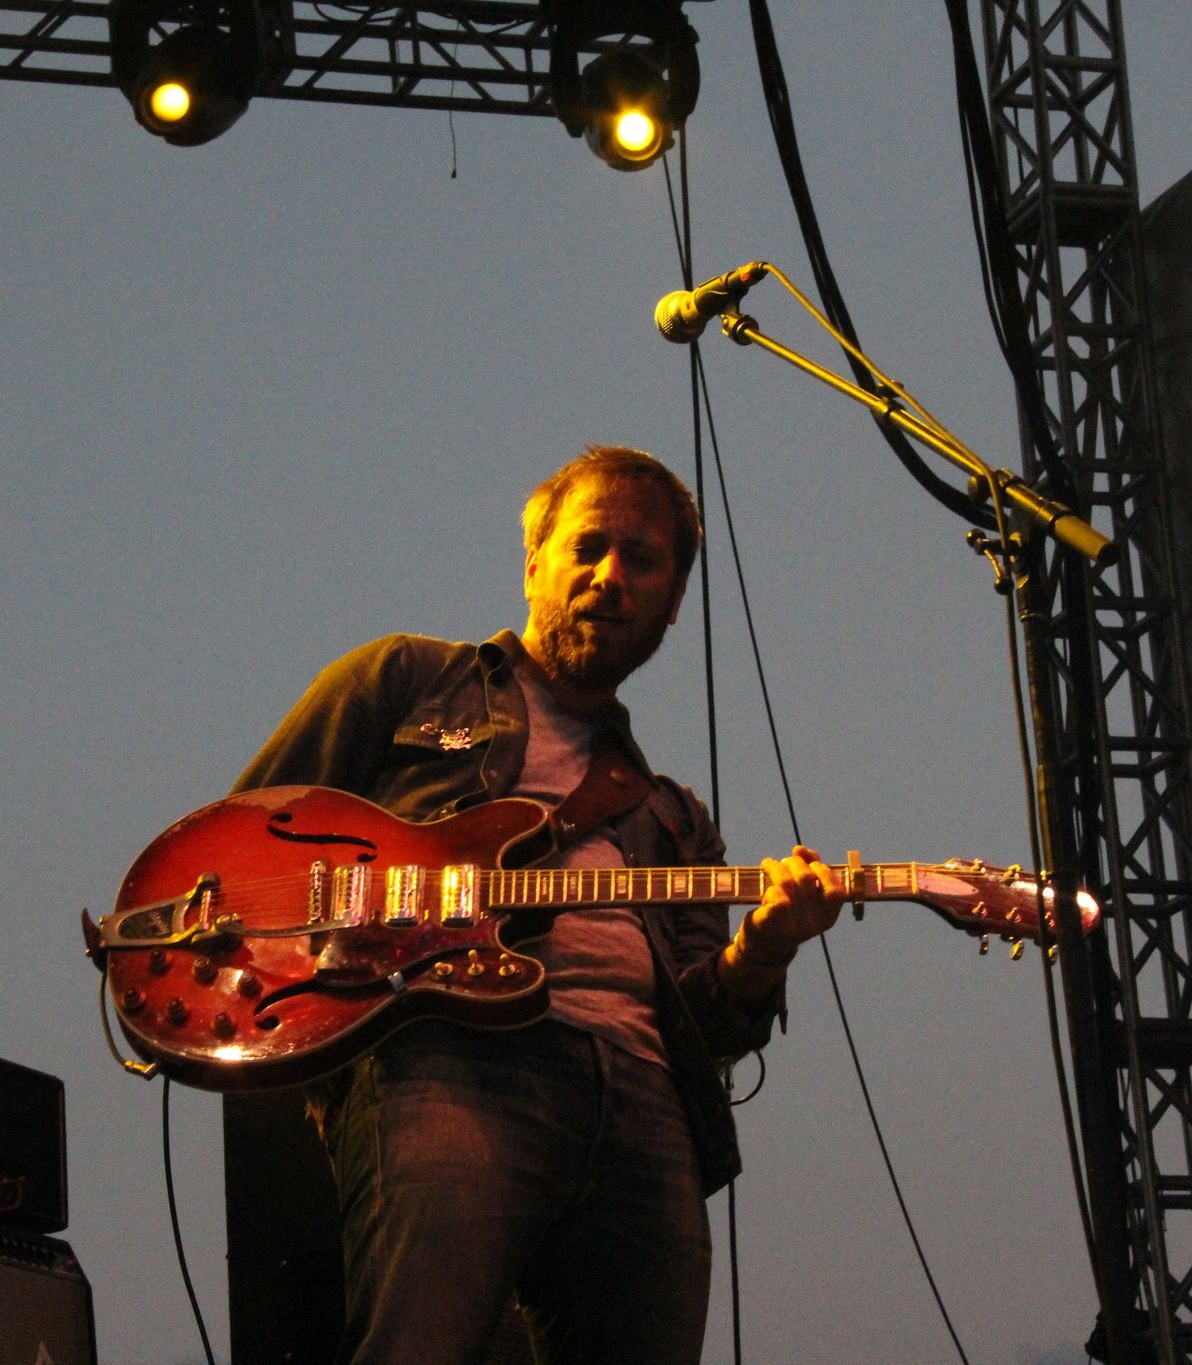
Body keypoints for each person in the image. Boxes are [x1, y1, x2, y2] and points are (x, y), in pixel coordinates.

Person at [232, 445, 844, 1365]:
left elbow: (710, 1021)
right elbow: (242, 847)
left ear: (674, 601)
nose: (611, 575)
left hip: (645, 1100)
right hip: (449, 1059)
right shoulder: (406, 679)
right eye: (589, 546)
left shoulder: (674, 819)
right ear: (533, 564)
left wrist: (768, 944)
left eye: (643, 559)